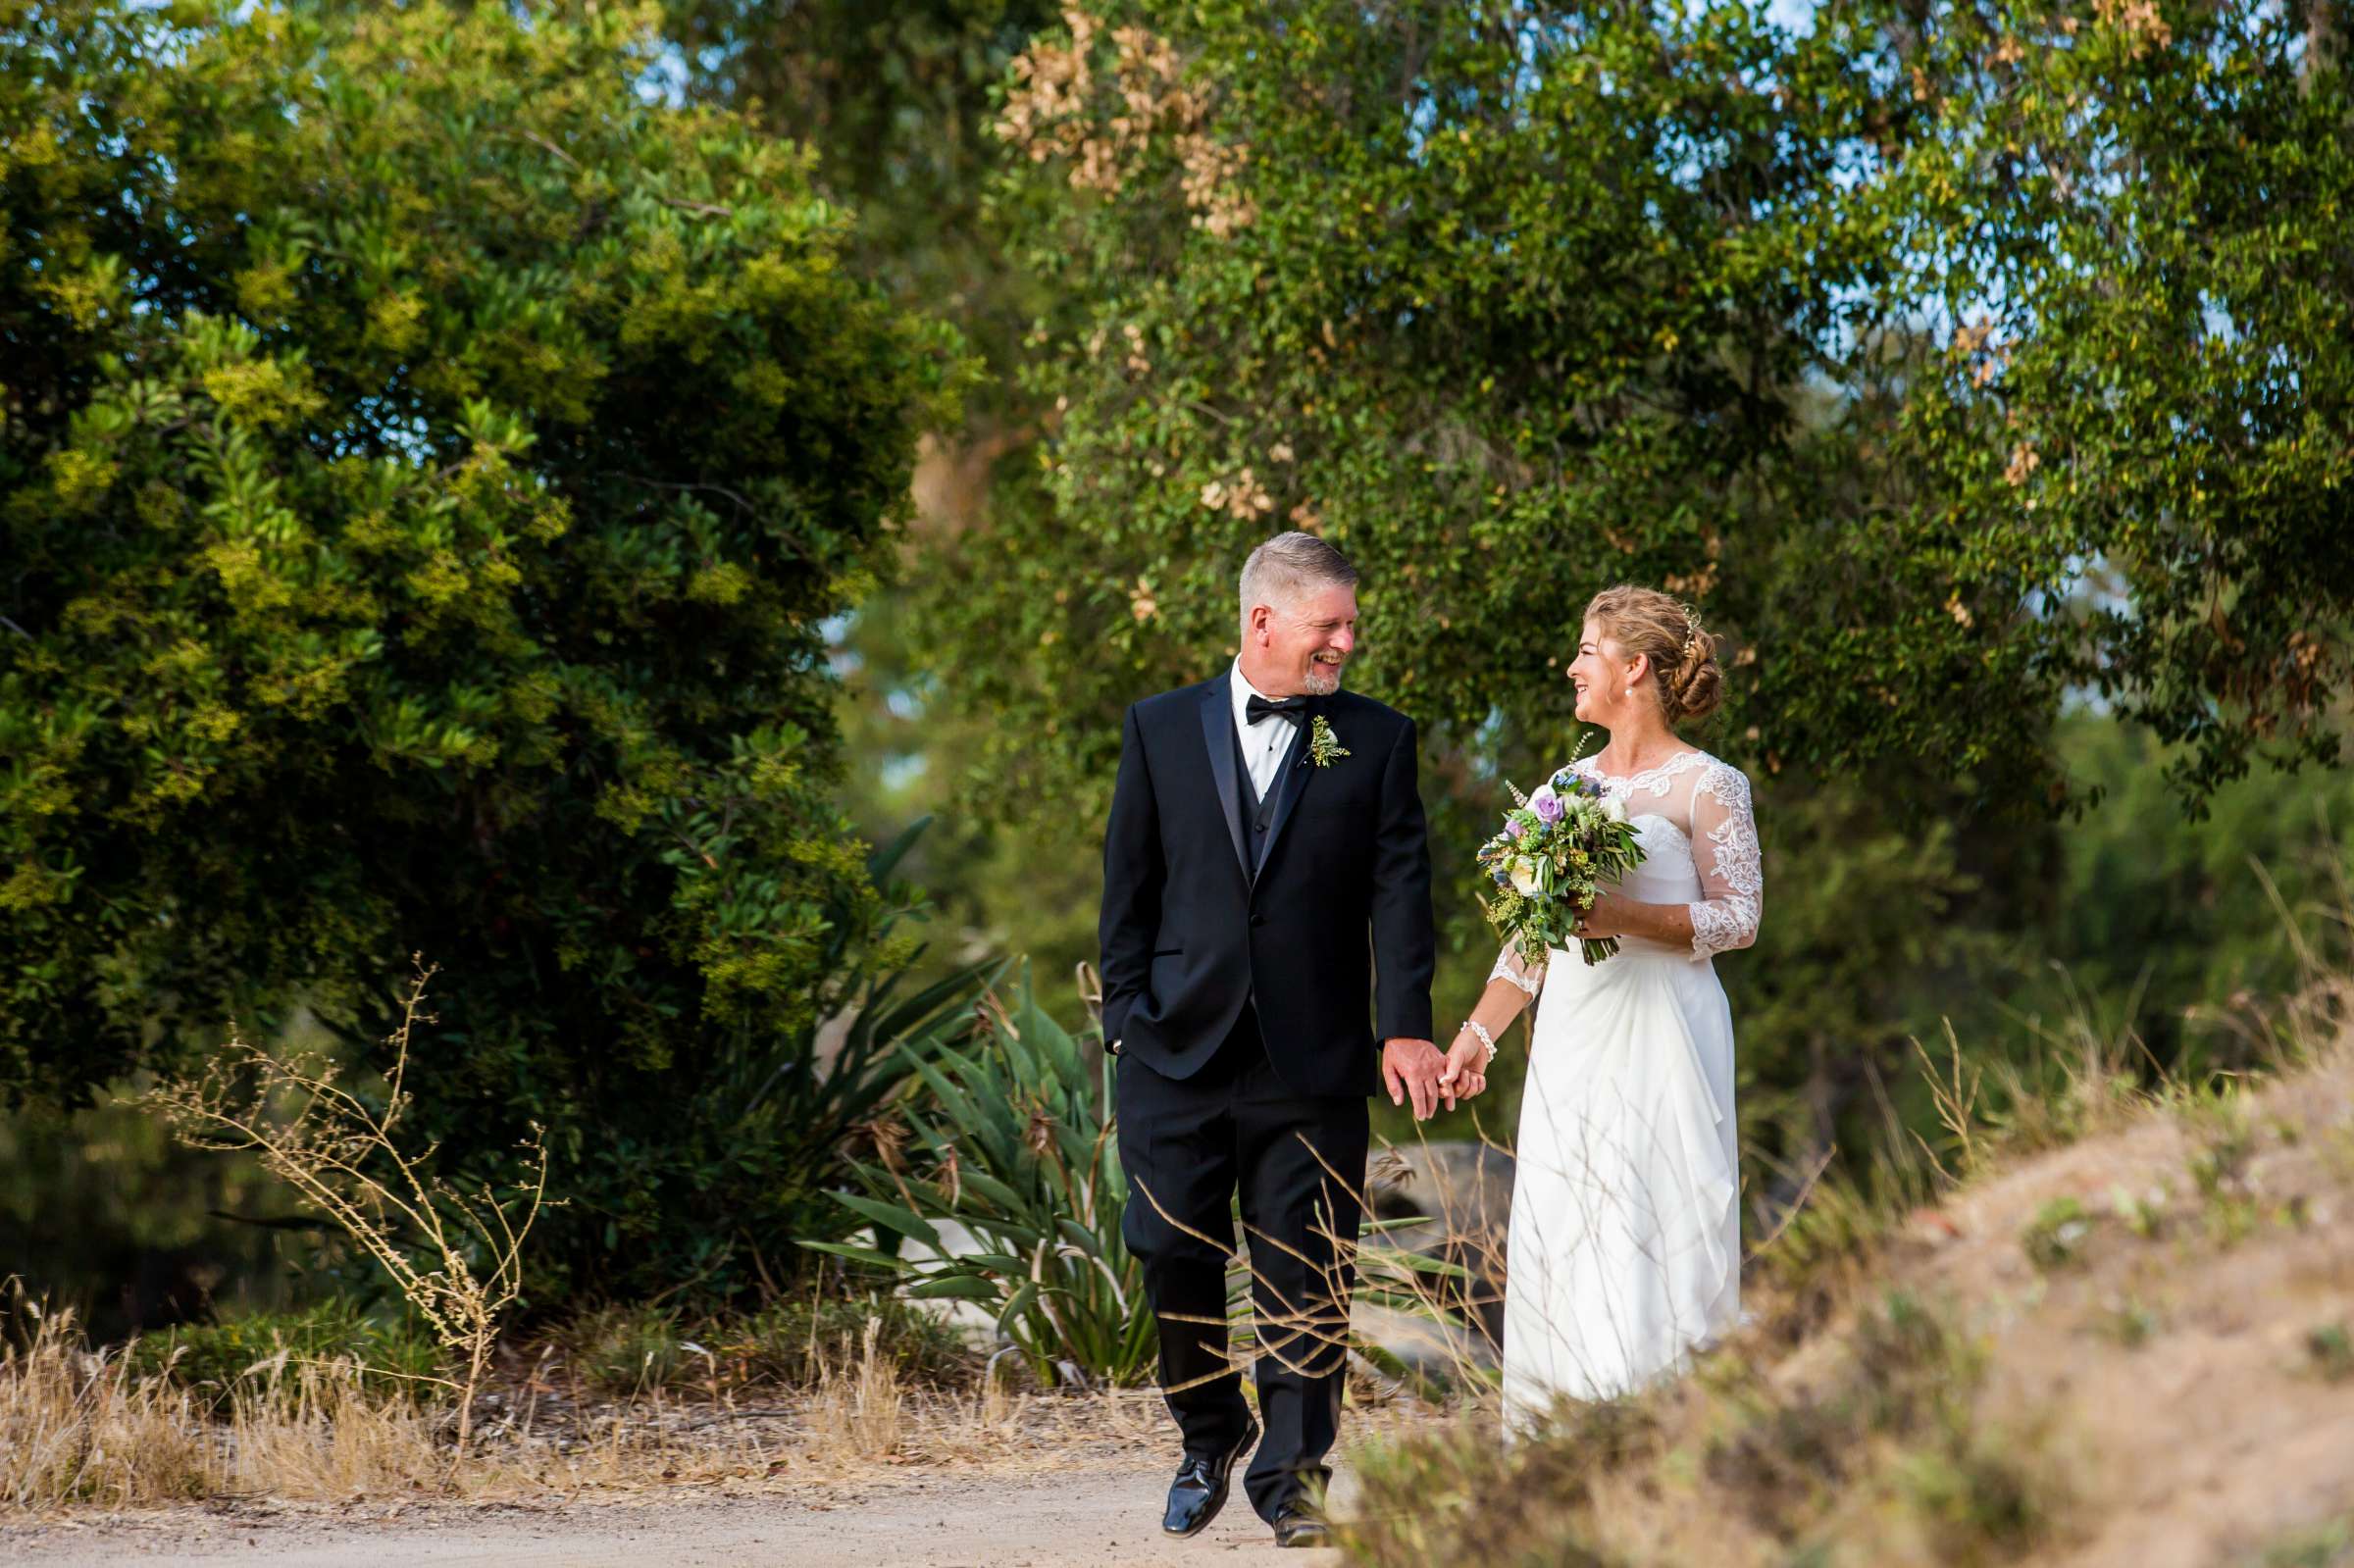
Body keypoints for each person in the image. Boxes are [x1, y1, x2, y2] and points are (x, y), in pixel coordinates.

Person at [1099, 531, 1445, 1547]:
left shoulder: (1377, 739)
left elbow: (1401, 893)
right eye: (1327, 625)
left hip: (1315, 1055)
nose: (1345, 642)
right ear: (1265, 621)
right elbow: (1130, 884)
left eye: (1348, 624)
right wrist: (1125, 1017)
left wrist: (1403, 1029)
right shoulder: (1158, 728)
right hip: (1174, 1050)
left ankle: (1293, 1477)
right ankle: (1208, 1433)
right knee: (1167, 1250)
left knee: (1310, 1269)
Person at [1437, 585, 1762, 1430]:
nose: (1573, 666)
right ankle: (1564, 1436)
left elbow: (1740, 917)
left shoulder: (1708, 784)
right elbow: (1532, 938)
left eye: (1588, 650)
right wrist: (1477, 1034)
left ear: (1634, 668)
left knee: (1665, 1213)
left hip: (1667, 1033)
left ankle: (1672, 1429)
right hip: (1574, 1040)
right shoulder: (1561, 789)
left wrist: (1627, 918)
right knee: (1570, 1218)